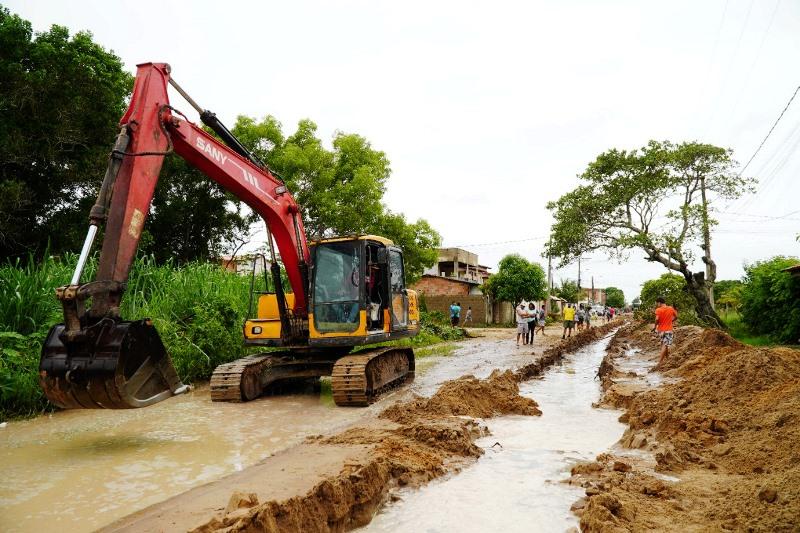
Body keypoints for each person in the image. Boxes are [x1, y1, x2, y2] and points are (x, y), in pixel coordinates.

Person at [652, 297, 678, 366]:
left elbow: (657, 319)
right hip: (668, 330)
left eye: (656, 303)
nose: (656, 304)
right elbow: (676, 316)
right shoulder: (670, 308)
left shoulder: (658, 310)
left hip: (661, 331)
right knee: (665, 345)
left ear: (659, 302)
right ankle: (660, 362)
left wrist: (655, 327)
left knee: (664, 345)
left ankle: (665, 360)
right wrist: (671, 321)